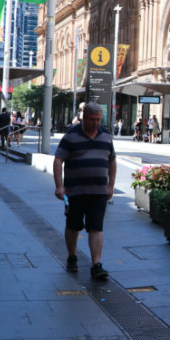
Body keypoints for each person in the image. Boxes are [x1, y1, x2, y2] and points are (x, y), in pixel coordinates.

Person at [53, 102, 116, 280]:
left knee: (96, 226)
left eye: (99, 119)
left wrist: (111, 185)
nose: (96, 123)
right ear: (84, 117)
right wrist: (59, 186)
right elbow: (58, 160)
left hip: (98, 191)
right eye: (92, 119)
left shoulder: (106, 135)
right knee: (73, 225)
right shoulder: (71, 135)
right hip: (75, 191)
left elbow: (112, 160)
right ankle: (72, 256)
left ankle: (96, 264)